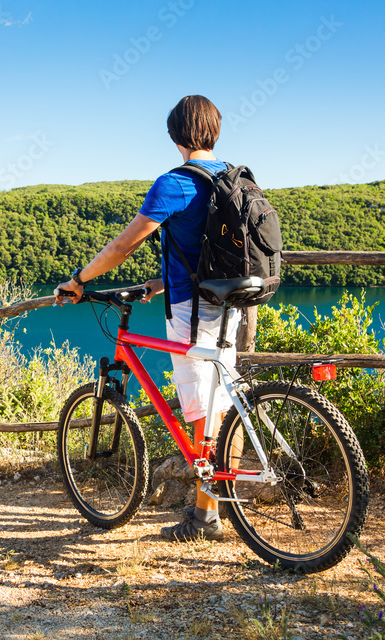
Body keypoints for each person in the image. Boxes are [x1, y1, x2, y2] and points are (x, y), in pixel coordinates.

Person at [54, 94, 240, 542]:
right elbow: (204, 247)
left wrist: (79, 279)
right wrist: (159, 282)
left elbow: (123, 246)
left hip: (192, 310)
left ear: (176, 135)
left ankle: (205, 518)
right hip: (231, 301)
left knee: (200, 411)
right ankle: (218, 501)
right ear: (215, 132)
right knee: (221, 404)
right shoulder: (231, 177)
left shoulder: (175, 183)